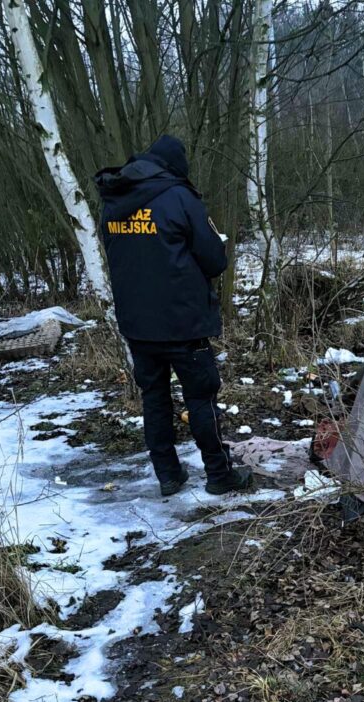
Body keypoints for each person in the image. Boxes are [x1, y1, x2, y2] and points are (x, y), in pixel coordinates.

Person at [94, 134, 252, 497]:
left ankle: (167, 474)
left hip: (137, 324)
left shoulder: (113, 201)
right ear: (175, 166)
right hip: (183, 323)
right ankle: (219, 472)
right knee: (200, 397)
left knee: (155, 398)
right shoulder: (180, 197)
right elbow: (215, 260)